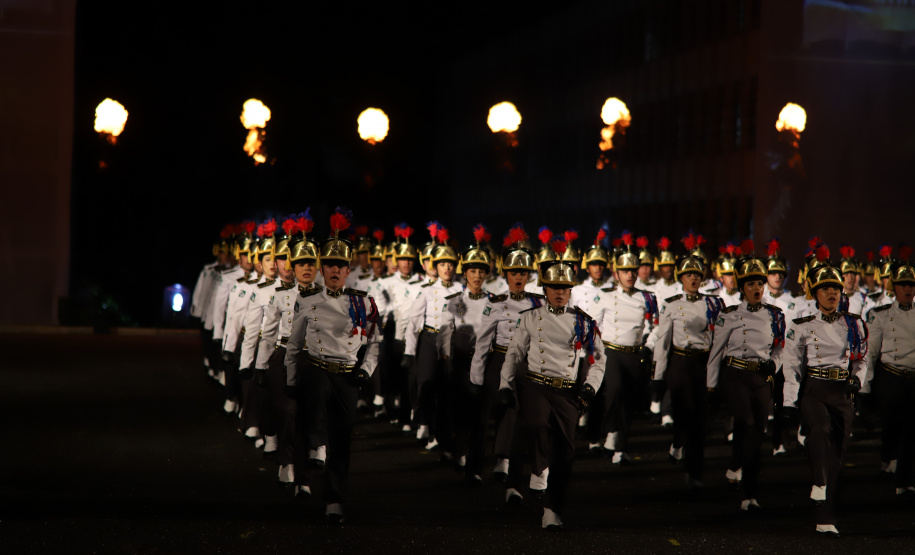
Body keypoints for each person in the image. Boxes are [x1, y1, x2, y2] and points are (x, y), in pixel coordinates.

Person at [283, 207, 381, 525]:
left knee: (344, 437)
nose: (335, 270)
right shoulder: (308, 299)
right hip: (315, 367)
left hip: (348, 375)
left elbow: (375, 342)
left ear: (348, 268)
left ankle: (335, 500)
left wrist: (366, 369)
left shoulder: (362, 302)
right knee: (317, 385)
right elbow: (295, 345)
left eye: (340, 265)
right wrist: (291, 378)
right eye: (330, 265)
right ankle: (315, 445)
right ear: (322, 268)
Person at [499, 260, 606, 529]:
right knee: (534, 424)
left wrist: (590, 387)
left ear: (571, 290)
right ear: (544, 289)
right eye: (554, 287)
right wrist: (504, 385)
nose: (560, 292)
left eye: (565, 287)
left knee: (567, 453)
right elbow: (514, 353)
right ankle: (533, 470)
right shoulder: (530, 317)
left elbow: (599, 359)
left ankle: (551, 509)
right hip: (535, 385)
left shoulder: (583, 322)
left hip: (567, 392)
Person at [782, 251, 867, 535]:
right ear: (814, 292)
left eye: (835, 288)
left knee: (838, 455)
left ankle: (826, 514)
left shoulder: (854, 323)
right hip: (815, 389)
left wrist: (858, 380)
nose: (831, 293)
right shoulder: (802, 326)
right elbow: (792, 366)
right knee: (820, 430)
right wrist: (789, 403)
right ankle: (818, 486)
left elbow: (861, 359)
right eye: (825, 289)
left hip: (842, 390)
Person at [707, 246, 785, 512]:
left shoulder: (775, 315)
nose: (757, 287)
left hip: (761, 376)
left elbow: (780, 346)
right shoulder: (729, 315)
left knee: (758, 431)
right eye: (751, 283)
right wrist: (711, 383)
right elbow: (716, 351)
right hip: (735, 374)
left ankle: (747, 485)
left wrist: (774, 364)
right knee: (746, 420)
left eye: (760, 283)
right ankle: (742, 474)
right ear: (742, 287)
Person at [469, 225, 543, 497]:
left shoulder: (538, 303)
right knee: (483, 414)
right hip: (498, 360)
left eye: (523, 272)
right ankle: (473, 467)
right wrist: (476, 378)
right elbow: (482, 342)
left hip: (523, 363)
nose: (519, 277)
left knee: (516, 416)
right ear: (506, 274)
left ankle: (508, 469)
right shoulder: (496, 303)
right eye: (514, 273)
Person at [256, 211, 320, 494]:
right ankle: (286, 462)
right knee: (287, 412)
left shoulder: (327, 297)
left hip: (315, 360)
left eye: (311, 263)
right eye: (300, 263)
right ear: (292, 267)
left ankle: (303, 476)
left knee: (307, 416)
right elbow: (268, 333)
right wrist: (260, 366)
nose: (306, 268)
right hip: (284, 357)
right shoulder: (280, 296)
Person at [650, 248, 723, 488]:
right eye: (688, 275)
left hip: (703, 363)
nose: (693, 279)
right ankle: (678, 440)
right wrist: (658, 377)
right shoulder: (671, 305)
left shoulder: (714, 304)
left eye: (697, 275)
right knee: (684, 412)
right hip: (680, 363)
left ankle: (694, 473)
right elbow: (662, 343)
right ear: (681, 279)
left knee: (701, 420)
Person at [588, 232, 658, 464]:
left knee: (628, 401)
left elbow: (654, 326)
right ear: (616, 273)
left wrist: (648, 347)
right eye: (625, 271)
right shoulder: (605, 296)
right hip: (611, 352)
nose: (630, 275)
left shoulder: (647, 298)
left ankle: (620, 448)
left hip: (634, 353)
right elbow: (592, 324)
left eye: (633, 271)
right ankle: (609, 431)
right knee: (615, 390)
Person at [402, 225, 464, 451]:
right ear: (435, 267)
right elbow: (414, 321)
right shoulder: (427, 290)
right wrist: (409, 352)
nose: (447, 268)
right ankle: (425, 422)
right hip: (429, 338)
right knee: (426, 382)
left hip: (451, 342)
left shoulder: (461, 289)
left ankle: (442, 433)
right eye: (442, 264)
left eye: (450, 264)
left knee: (447, 389)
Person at [441, 225, 493, 477]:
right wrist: (446, 359)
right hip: (461, 362)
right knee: (461, 412)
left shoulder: (495, 302)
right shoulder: (453, 301)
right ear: (465, 273)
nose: (476, 275)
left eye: (481, 271)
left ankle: (475, 467)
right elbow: (444, 331)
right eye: (472, 270)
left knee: (481, 418)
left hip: (484, 362)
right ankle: (460, 450)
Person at [865, 259, 915, 495]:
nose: (908, 290)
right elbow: (871, 352)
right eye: (904, 285)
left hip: (912, 375)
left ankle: (905, 479)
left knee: (911, 428)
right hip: (890, 374)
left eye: (912, 285)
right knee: (894, 418)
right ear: (894, 288)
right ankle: (889, 457)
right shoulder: (880, 315)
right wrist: (864, 387)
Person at [570, 225, 610, 315]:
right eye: (594, 265)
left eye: (601, 265)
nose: (598, 268)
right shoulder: (577, 290)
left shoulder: (611, 287)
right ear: (587, 269)